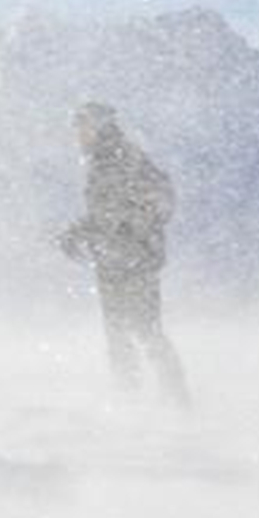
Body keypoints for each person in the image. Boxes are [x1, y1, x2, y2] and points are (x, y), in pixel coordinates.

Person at [57, 102, 189, 403]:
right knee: (118, 333)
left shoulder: (122, 158)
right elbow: (105, 214)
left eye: (83, 127)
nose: (78, 135)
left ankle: (176, 400)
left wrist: (130, 231)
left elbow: (147, 205)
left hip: (134, 260)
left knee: (145, 330)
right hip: (112, 259)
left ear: (99, 126)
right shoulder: (102, 161)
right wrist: (77, 232)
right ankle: (129, 399)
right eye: (77, 128)